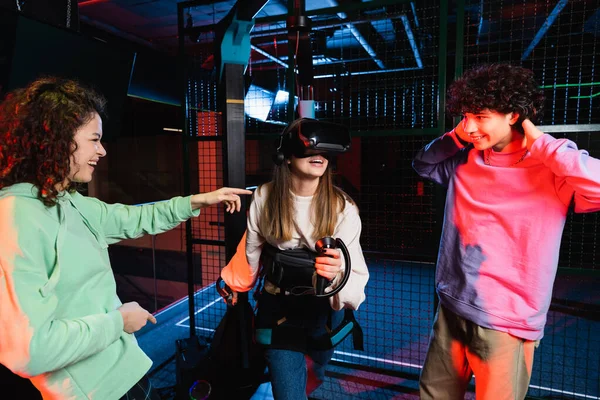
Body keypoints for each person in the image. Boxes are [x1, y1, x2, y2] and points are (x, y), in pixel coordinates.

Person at [0, 77, 252, 399]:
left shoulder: (67, 200)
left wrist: (199, 201)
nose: (102, 151)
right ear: (60, 139)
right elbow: (28, 350)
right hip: (97, 392)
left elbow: (137, 218)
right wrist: (118, 321)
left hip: (125, 373)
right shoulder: (15, 216)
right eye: (94, 139)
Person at [413, 63, 600, 399]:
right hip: (452, 305)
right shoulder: (464, 158)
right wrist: (456, 137)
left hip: (508, 322)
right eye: (464, 116)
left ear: (514, 116)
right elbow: (423, 163)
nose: (469, 126)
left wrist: (541, 142)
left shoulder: (552, 166)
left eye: (480, 116)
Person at [221, 117, 369, 399]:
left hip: (322, 313)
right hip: (279, 310)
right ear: (286, 157)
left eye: (324, 152)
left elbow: (354, 268)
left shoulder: (343, 208)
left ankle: (311, 371)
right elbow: (251, 247)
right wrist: (235, 282)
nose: (319, 156)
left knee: (317, 368)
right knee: (288, 391)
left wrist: (338, 271)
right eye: (309, 149)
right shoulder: (265, 197)